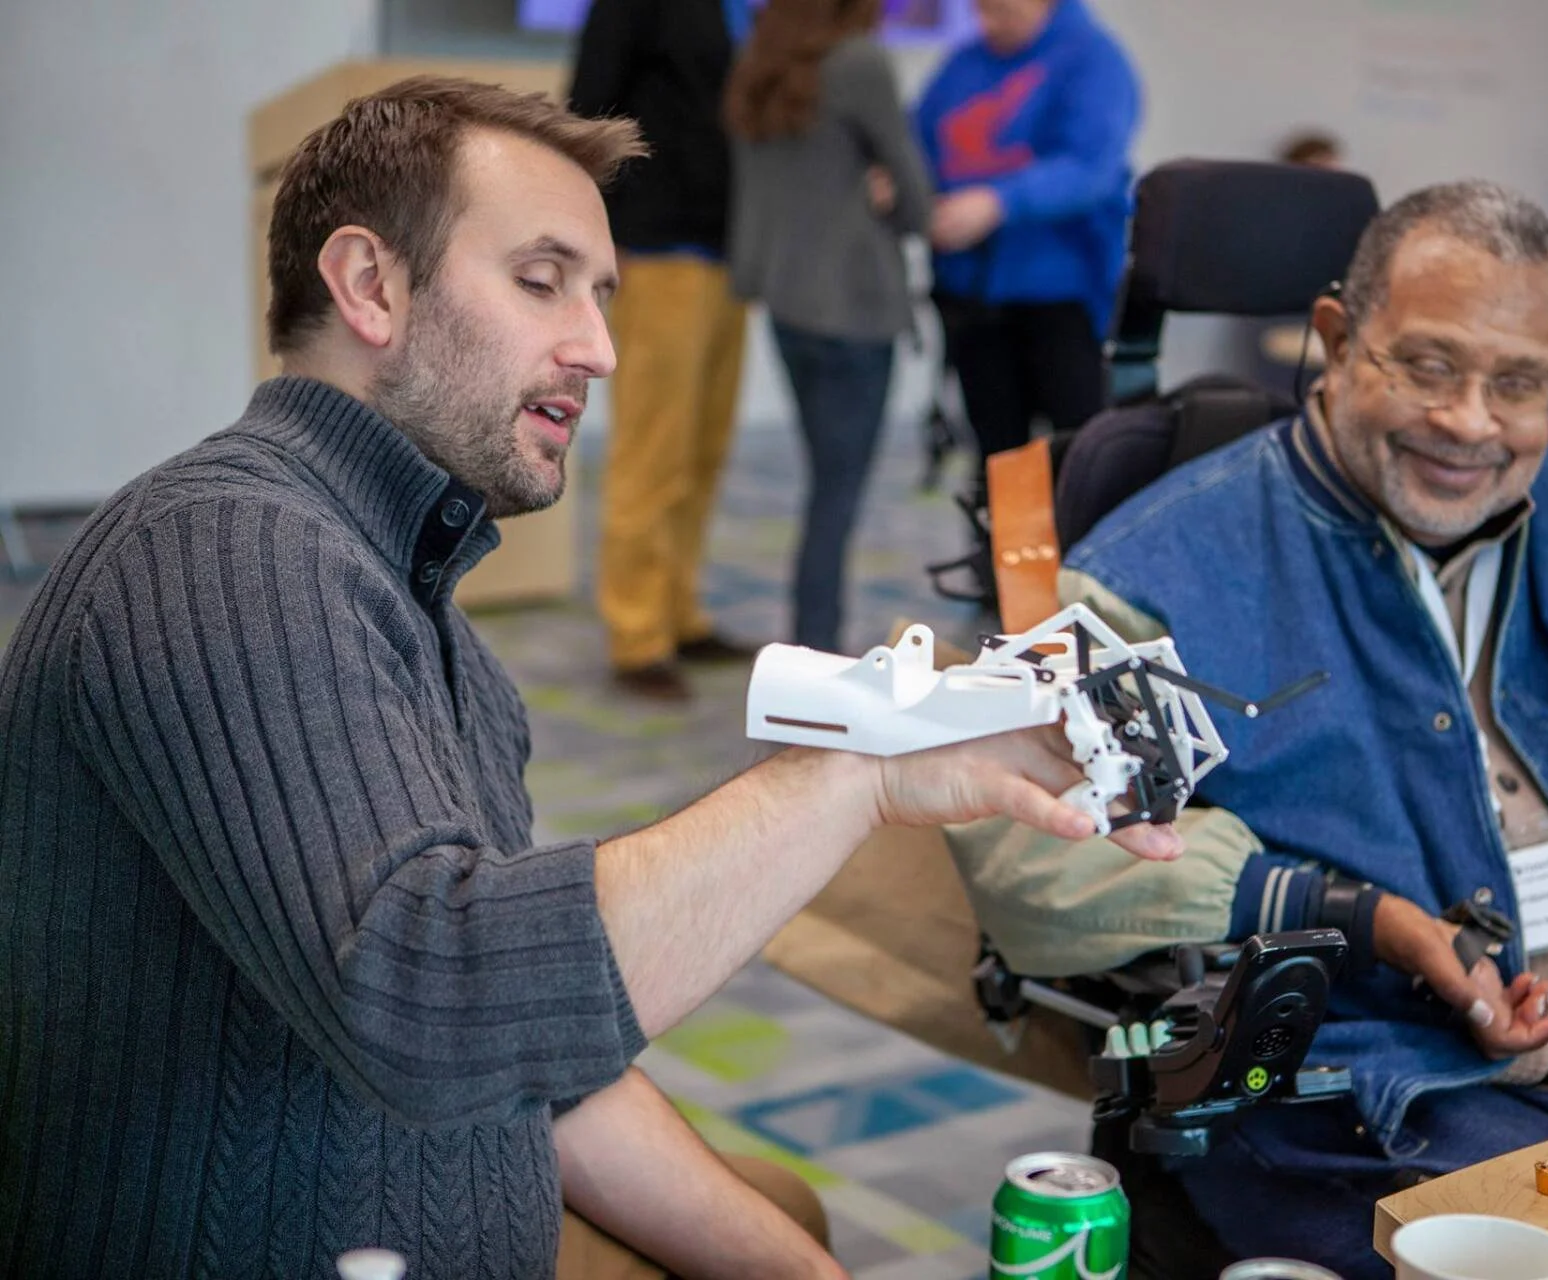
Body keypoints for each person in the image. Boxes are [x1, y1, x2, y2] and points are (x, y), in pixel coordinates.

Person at [0, 77, 1180, 1280]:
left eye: (601, 293)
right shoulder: (221, 553)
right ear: (368, 285)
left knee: (788, 1221)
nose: (600, 348)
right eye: (540, 279)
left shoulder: (416, 611)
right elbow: (439, 995)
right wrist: (854, 773)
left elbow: (537, 1056)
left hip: (449, 1212)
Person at [947, 182, 1548, 1280]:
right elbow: (1028, 860)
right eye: (1426, 364)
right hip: (1373, 1098)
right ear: (1335, 340)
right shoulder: (1153, 579)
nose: (1470, 420)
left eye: (1519, 383)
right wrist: (1357, 915)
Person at [726, 0, 934, 654]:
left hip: (788, 304)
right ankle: (817, 652)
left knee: (825, 487)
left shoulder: (760, 62)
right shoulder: (860, 64)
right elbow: (917, 199)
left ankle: (812, 644)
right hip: (852, 305)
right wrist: (887, 198)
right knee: (836, 497)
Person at [569, 0, 753, 703]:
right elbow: (588, 108)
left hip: (725, 252)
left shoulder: (741, 11)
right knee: (653, 447)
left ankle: (681, 611)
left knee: (703, 446)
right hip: (657, 247)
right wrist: (599, 233)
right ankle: (637, 632)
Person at [915, 0, 1142, 491]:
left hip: (1062, 294)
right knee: (999, 461)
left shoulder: (1093, 59)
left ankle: (1077, 565)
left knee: (1082, 455)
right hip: (973, 293)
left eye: (1000, 8)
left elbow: (1091, 168)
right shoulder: (965, 62)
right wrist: (907, 184)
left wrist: (999, 202)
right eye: (980, 8)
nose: (987, 20)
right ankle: (1002, 565)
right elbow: (922, 140)